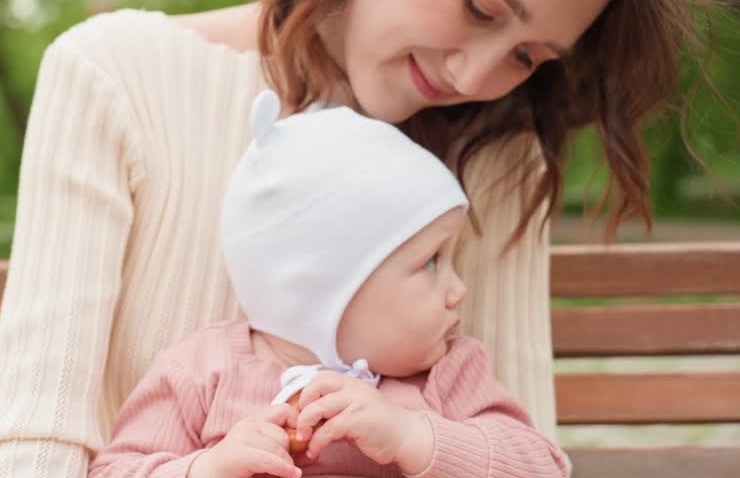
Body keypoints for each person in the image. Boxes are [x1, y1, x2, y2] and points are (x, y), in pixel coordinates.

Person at [0, 0, 704, 477]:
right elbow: (34, 438)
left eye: (528, 56)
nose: (473, 77)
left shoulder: (497, 154)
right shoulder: (114, 77)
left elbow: (520, 448)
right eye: (478, 6)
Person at [87, 91, 571, 478]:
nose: (458, 289)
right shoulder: (200, 372)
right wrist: (206, 468)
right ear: (324, 287)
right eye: (431, 263)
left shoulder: (450, 374)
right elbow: (113, 471)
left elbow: (542, 467)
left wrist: (412, 437)